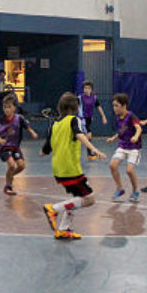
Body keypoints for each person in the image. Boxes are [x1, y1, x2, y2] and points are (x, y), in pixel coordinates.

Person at [41, 93, 107, 240]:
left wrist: (43, 152)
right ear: (76, 108)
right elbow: (79, 134)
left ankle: (63, 229)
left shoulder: (55, 124)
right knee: (89, 199)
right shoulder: (74, 120)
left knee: (77, 198)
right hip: (70, 169)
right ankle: (53, 209)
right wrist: (94, 149)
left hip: (58, 169)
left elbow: (46, 148)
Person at [0, 94, 38, 196]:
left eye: (9, 107)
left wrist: (32, 132)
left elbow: (27, 126)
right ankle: (8, 186)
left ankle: (10, 176)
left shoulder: (19, 119)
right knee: (11, 165)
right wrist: (0, 140)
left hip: (15, 147)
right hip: (4, 148)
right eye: (5, 107)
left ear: (14, 108)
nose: (6, 109)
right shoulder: (0, 120)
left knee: (21, 166)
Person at [105, 94, 142, 203]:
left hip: (134, 148)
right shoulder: (118, 118)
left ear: (124, 106)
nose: (114, 108)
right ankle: (120, 188)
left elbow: (139, 128)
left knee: (129, 170)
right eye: (113, 105)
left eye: (116, 105)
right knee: (112, 165)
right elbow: (121, 130)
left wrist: (136, 136)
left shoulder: (131, 116)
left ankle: (136, 190)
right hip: (122, 146)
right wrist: (113, 138)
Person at [79, 81, 108, 161]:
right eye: (85, 88)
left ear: (91, 89)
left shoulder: (94, 98)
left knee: (85, 136)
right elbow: (76, 107)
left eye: (88, 88)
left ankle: (89, 153)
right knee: (88, 135)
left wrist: (103, 116)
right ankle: (90, 154)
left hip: (89, 119)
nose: (87, 89)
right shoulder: (80, 98)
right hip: (82, 119)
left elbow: (98, 107)